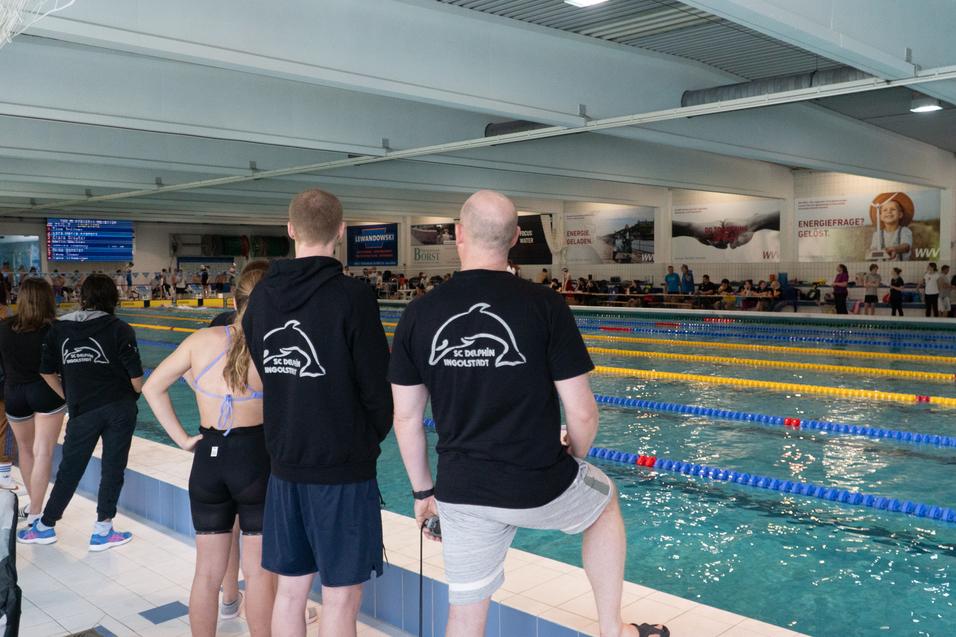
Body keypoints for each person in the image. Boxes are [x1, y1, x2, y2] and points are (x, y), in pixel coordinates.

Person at [389, 190, 669, 637]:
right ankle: (611, 629)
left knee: (464, 615)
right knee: (604, 502)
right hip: (536, 481)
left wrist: (425, 492)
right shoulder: (545, 305)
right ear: (516, 238)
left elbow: (405, 419)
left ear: (458, 235)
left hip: (461, 490)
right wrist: (574, 458)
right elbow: (583, 412)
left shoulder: (419, 313)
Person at [242, 189, 392, 637]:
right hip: (343, 471)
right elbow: (378, 390)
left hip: (284, 466)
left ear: (290, 230)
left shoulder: (262, 297)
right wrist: (366, 440)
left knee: (291, 591)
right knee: (341, 597)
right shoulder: (354, 297)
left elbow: (267, 373)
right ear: (341, 232)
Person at [143, 263, 278, 637]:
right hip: (256, 462)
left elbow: (152, 387)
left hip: (208, 462)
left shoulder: (199, 342)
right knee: (258, 575)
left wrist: (183, 439)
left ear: (233, 300)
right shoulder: (273, 347)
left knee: (206, 575)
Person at [17, 274, 143, 550]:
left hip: (82, 410)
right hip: (119, 408)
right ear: (113, 298)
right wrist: (132, 396)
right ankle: (102, 530)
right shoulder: (121, 329)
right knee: (113, 468)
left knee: (70, 469)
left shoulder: (59, 329)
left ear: (82, 297)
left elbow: (46, 371)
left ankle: (46, 525)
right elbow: (136, 379)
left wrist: (70, 395)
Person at [1, 279, 68, 522]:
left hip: (15, 394)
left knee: (26, 452)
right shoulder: (56, 329)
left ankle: (33, 506)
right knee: (43, 453)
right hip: (46, 392)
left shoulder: (4, 327)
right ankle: (36, 513)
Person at [868, 193, 913, 261]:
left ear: (900, 214)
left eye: (893, 209)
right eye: (885, 210)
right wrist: (872, 251)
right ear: (880, 217)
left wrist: (895, 249)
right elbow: (873, 249)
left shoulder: (904, 231)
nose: (889, 212)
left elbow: (906, 246)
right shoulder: (877, 234)